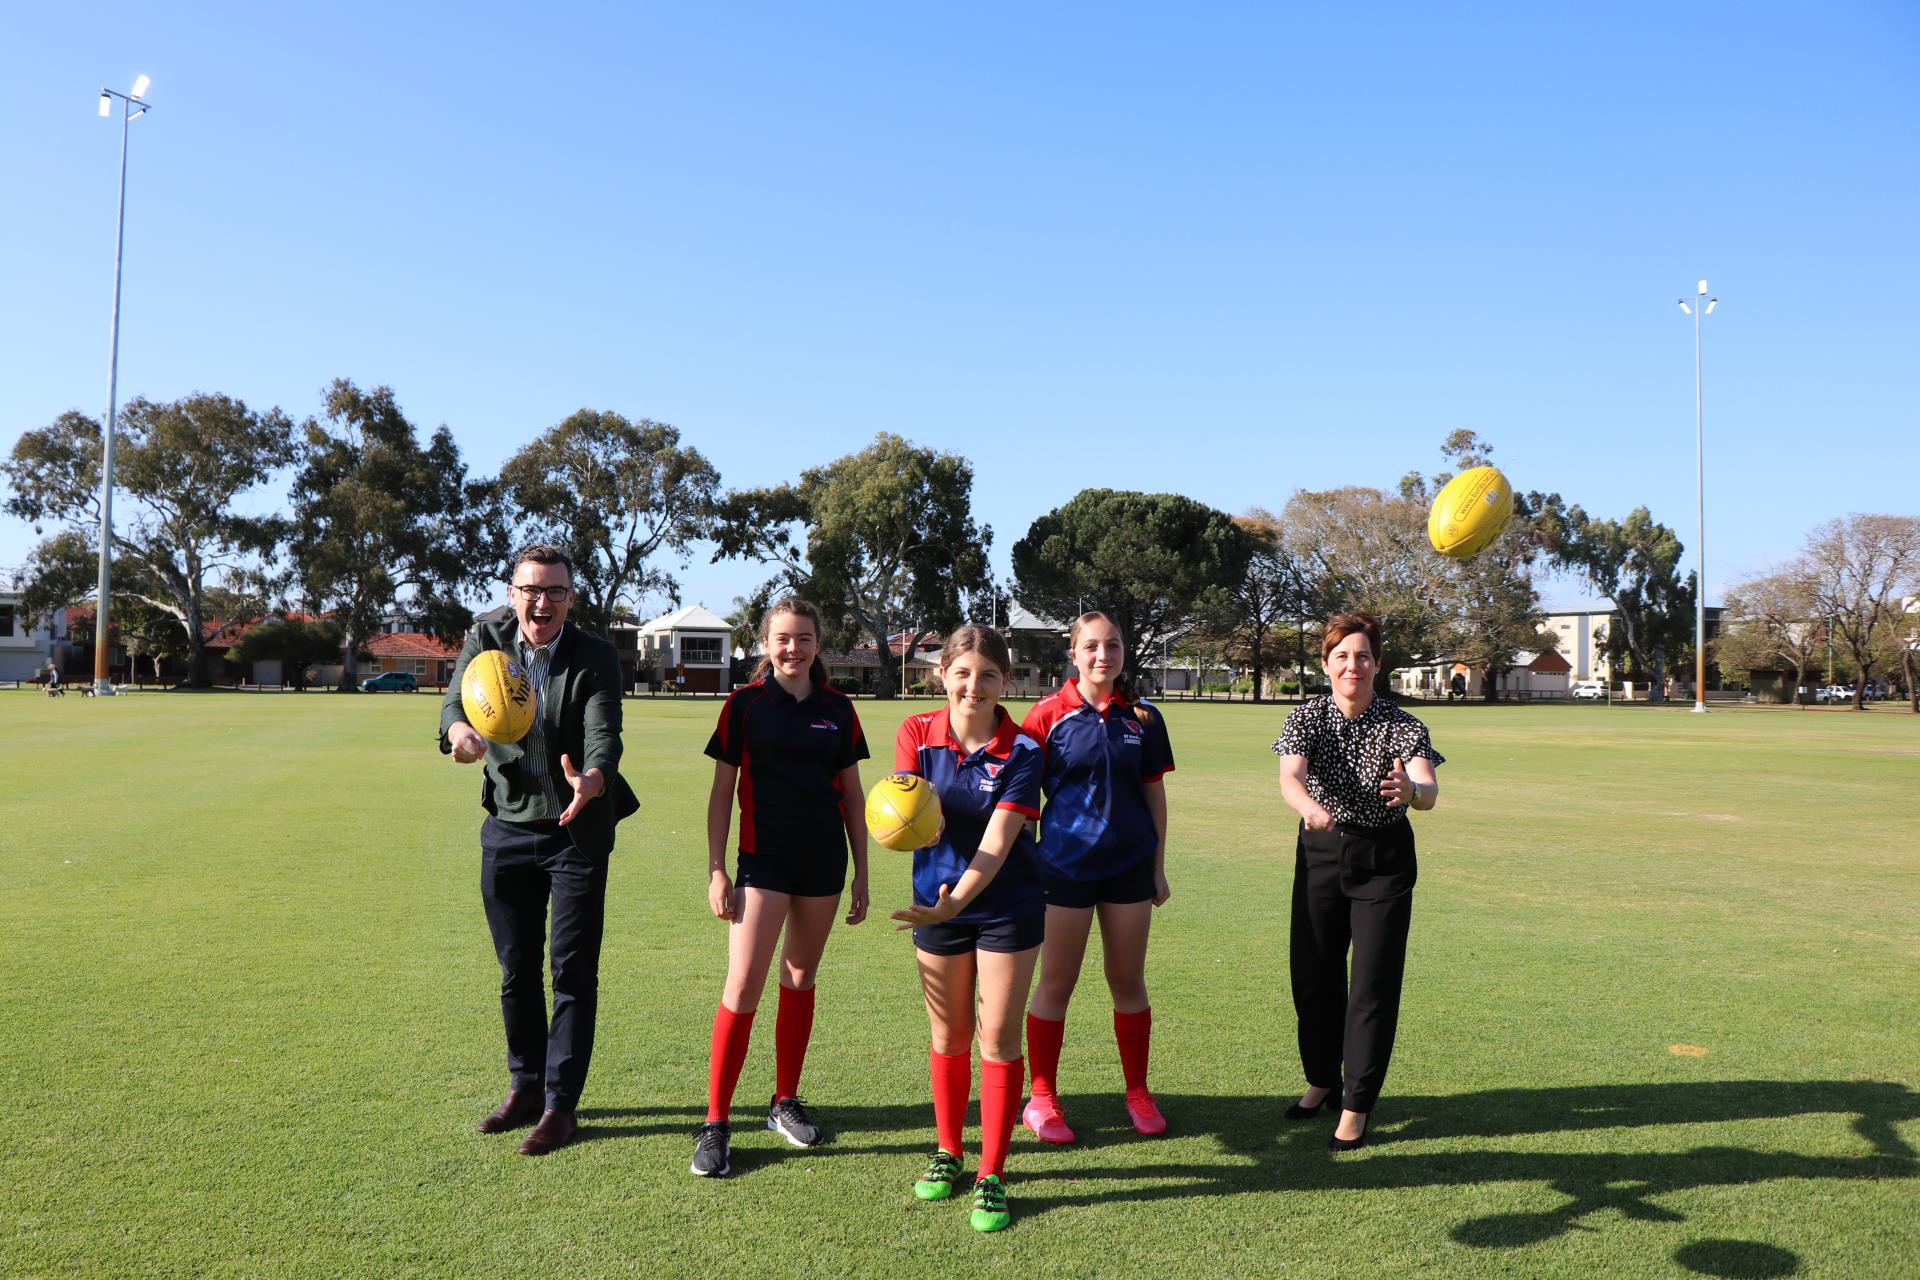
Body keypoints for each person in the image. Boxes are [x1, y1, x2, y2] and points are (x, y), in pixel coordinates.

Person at [439, 545, 640, 1156]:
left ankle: (560, 1106)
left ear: (571, 599)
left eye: (555, 591)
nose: (541, 601)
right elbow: (453, 702)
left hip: (576, 830)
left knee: (571, 971)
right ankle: (524, 1086)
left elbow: (606, 732)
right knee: (516, 968)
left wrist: (594, 779)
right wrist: (459, 734)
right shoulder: (487, 638)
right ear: (512, 593)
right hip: (506, 825)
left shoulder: (595, 655)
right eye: (531, 589)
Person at [694, 596, 870, 1178]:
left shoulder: (839, 709)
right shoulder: (743, 705)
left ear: (818, 645)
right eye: (783, 638)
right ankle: (716, 1121)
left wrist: (862, 871)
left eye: (803, 638)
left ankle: (783, 1101)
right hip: (762, 862)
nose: (793, 648)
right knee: (743, 985)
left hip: (823, 863)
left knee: (799, 978)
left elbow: (853, 794)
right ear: (765, 643)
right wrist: (718, 869)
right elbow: (723, 793)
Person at [889, 625, 1046, 1233]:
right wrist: (910, 832)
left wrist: (959, 900)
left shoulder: (1026, 751)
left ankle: (992, 1174)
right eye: (962, 673)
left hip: (1006, 907)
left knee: (998, 1038)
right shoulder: (916, 734)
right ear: (942, 675)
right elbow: (906, 809)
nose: (973, 686)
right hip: (935, 905)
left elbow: (1000, 842)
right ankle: (949, 1150)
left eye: (987, 675)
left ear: (1005, 682)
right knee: (949, 1034)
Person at [1274, 611, 1444, 1151]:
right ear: (1326, 664)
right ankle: (1320, 1079)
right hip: (1321, 853)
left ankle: (1355, 1104)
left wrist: (1410, 791)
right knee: (1314, 976)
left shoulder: (1403, 726)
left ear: (1377, 664)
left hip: (1383, 860)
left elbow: (1427, 786)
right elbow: (1291, 775)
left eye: (1363, 655)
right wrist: (1309, 809)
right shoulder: (1307, 718)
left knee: (1370, 986)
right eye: (1342, 656)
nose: (1354, 665)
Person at [1018, 611, 1175, 1143]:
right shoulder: (1045, 716)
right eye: (1091, 646)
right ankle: (1041, 1098)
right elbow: (1018, 799)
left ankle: (1137, 1091)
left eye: (1112, 646)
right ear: (1073, 653)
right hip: (1063, 870)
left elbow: (1155, 796)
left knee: (1127, 981)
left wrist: (1157, 867)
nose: (1102, 655)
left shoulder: (1145, 717)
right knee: (1056, 983)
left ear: (1124, 652)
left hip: (1130, 869)